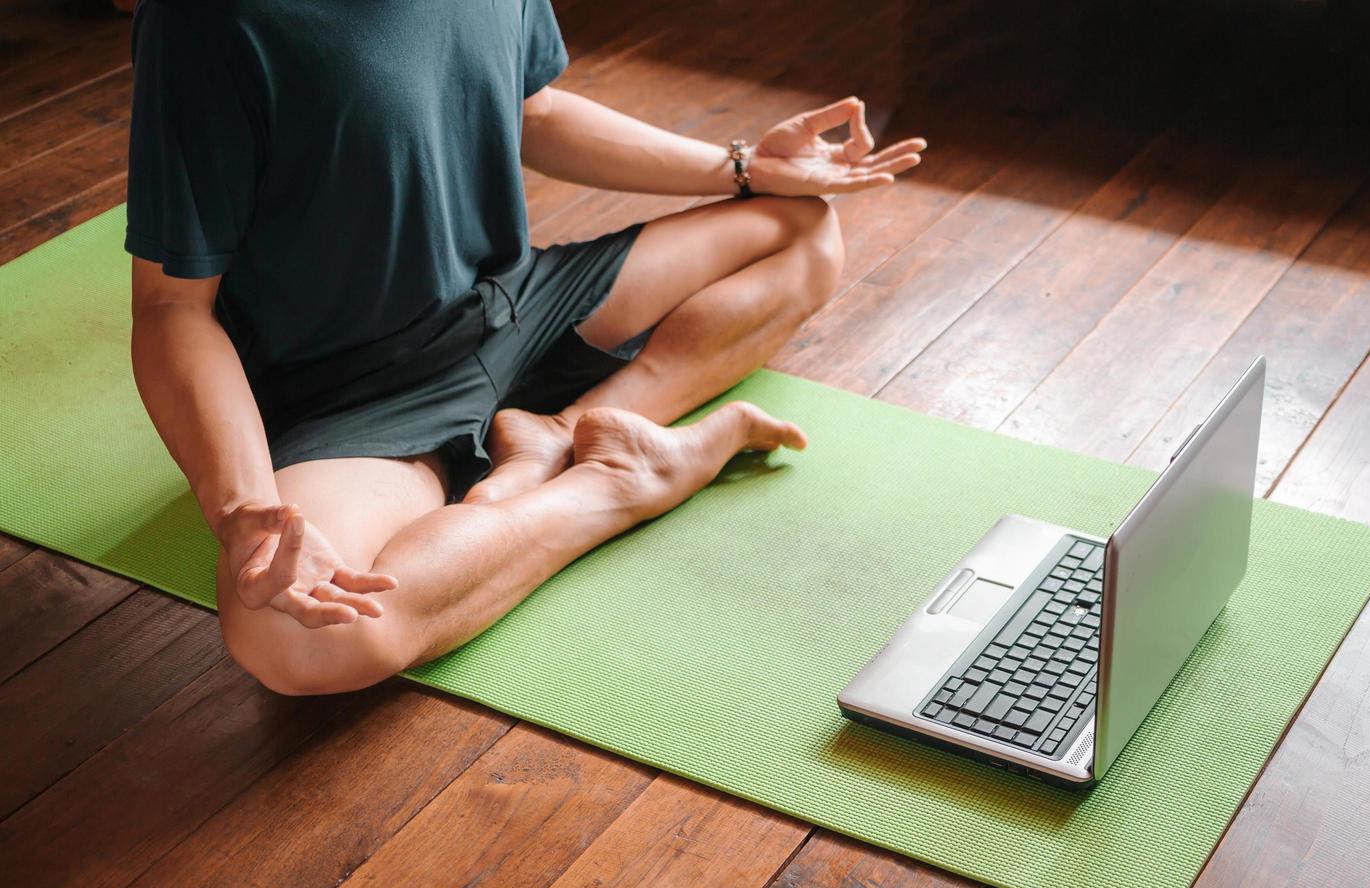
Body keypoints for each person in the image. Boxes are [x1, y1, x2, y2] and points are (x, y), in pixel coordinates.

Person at [125, 0, 926, 695]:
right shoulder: (207, 22)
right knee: (298, 641)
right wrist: (239, 511)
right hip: (354, 395)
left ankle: (566, 430)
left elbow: (533, 112)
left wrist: (745, 167)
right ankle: (613, 486)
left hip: (516, 306)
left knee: (801, 228)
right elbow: (170, 309)